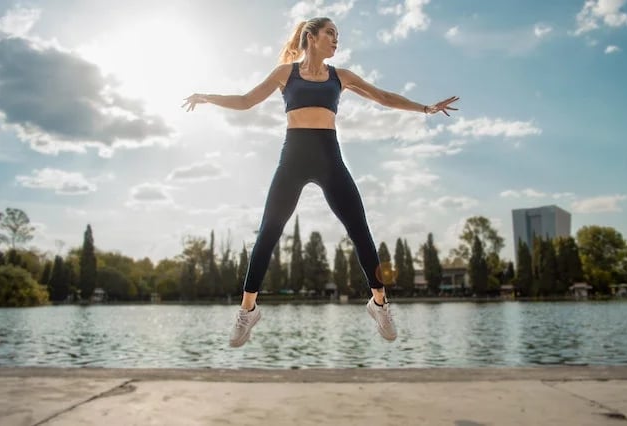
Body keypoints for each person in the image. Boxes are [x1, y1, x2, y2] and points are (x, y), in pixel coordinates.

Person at [182, 17, 459, 348]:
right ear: (311, 37)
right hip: (293, 160)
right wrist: (207, 97)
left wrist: (425, 108)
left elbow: (383, 96)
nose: (336, 40)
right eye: (330, 34)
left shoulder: (341, 77)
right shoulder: (286, 73)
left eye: (337, 35)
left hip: (330, 160)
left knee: (359, 229)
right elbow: (246, 101)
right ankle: (247, 311)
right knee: (268, 232)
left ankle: (380, 304)